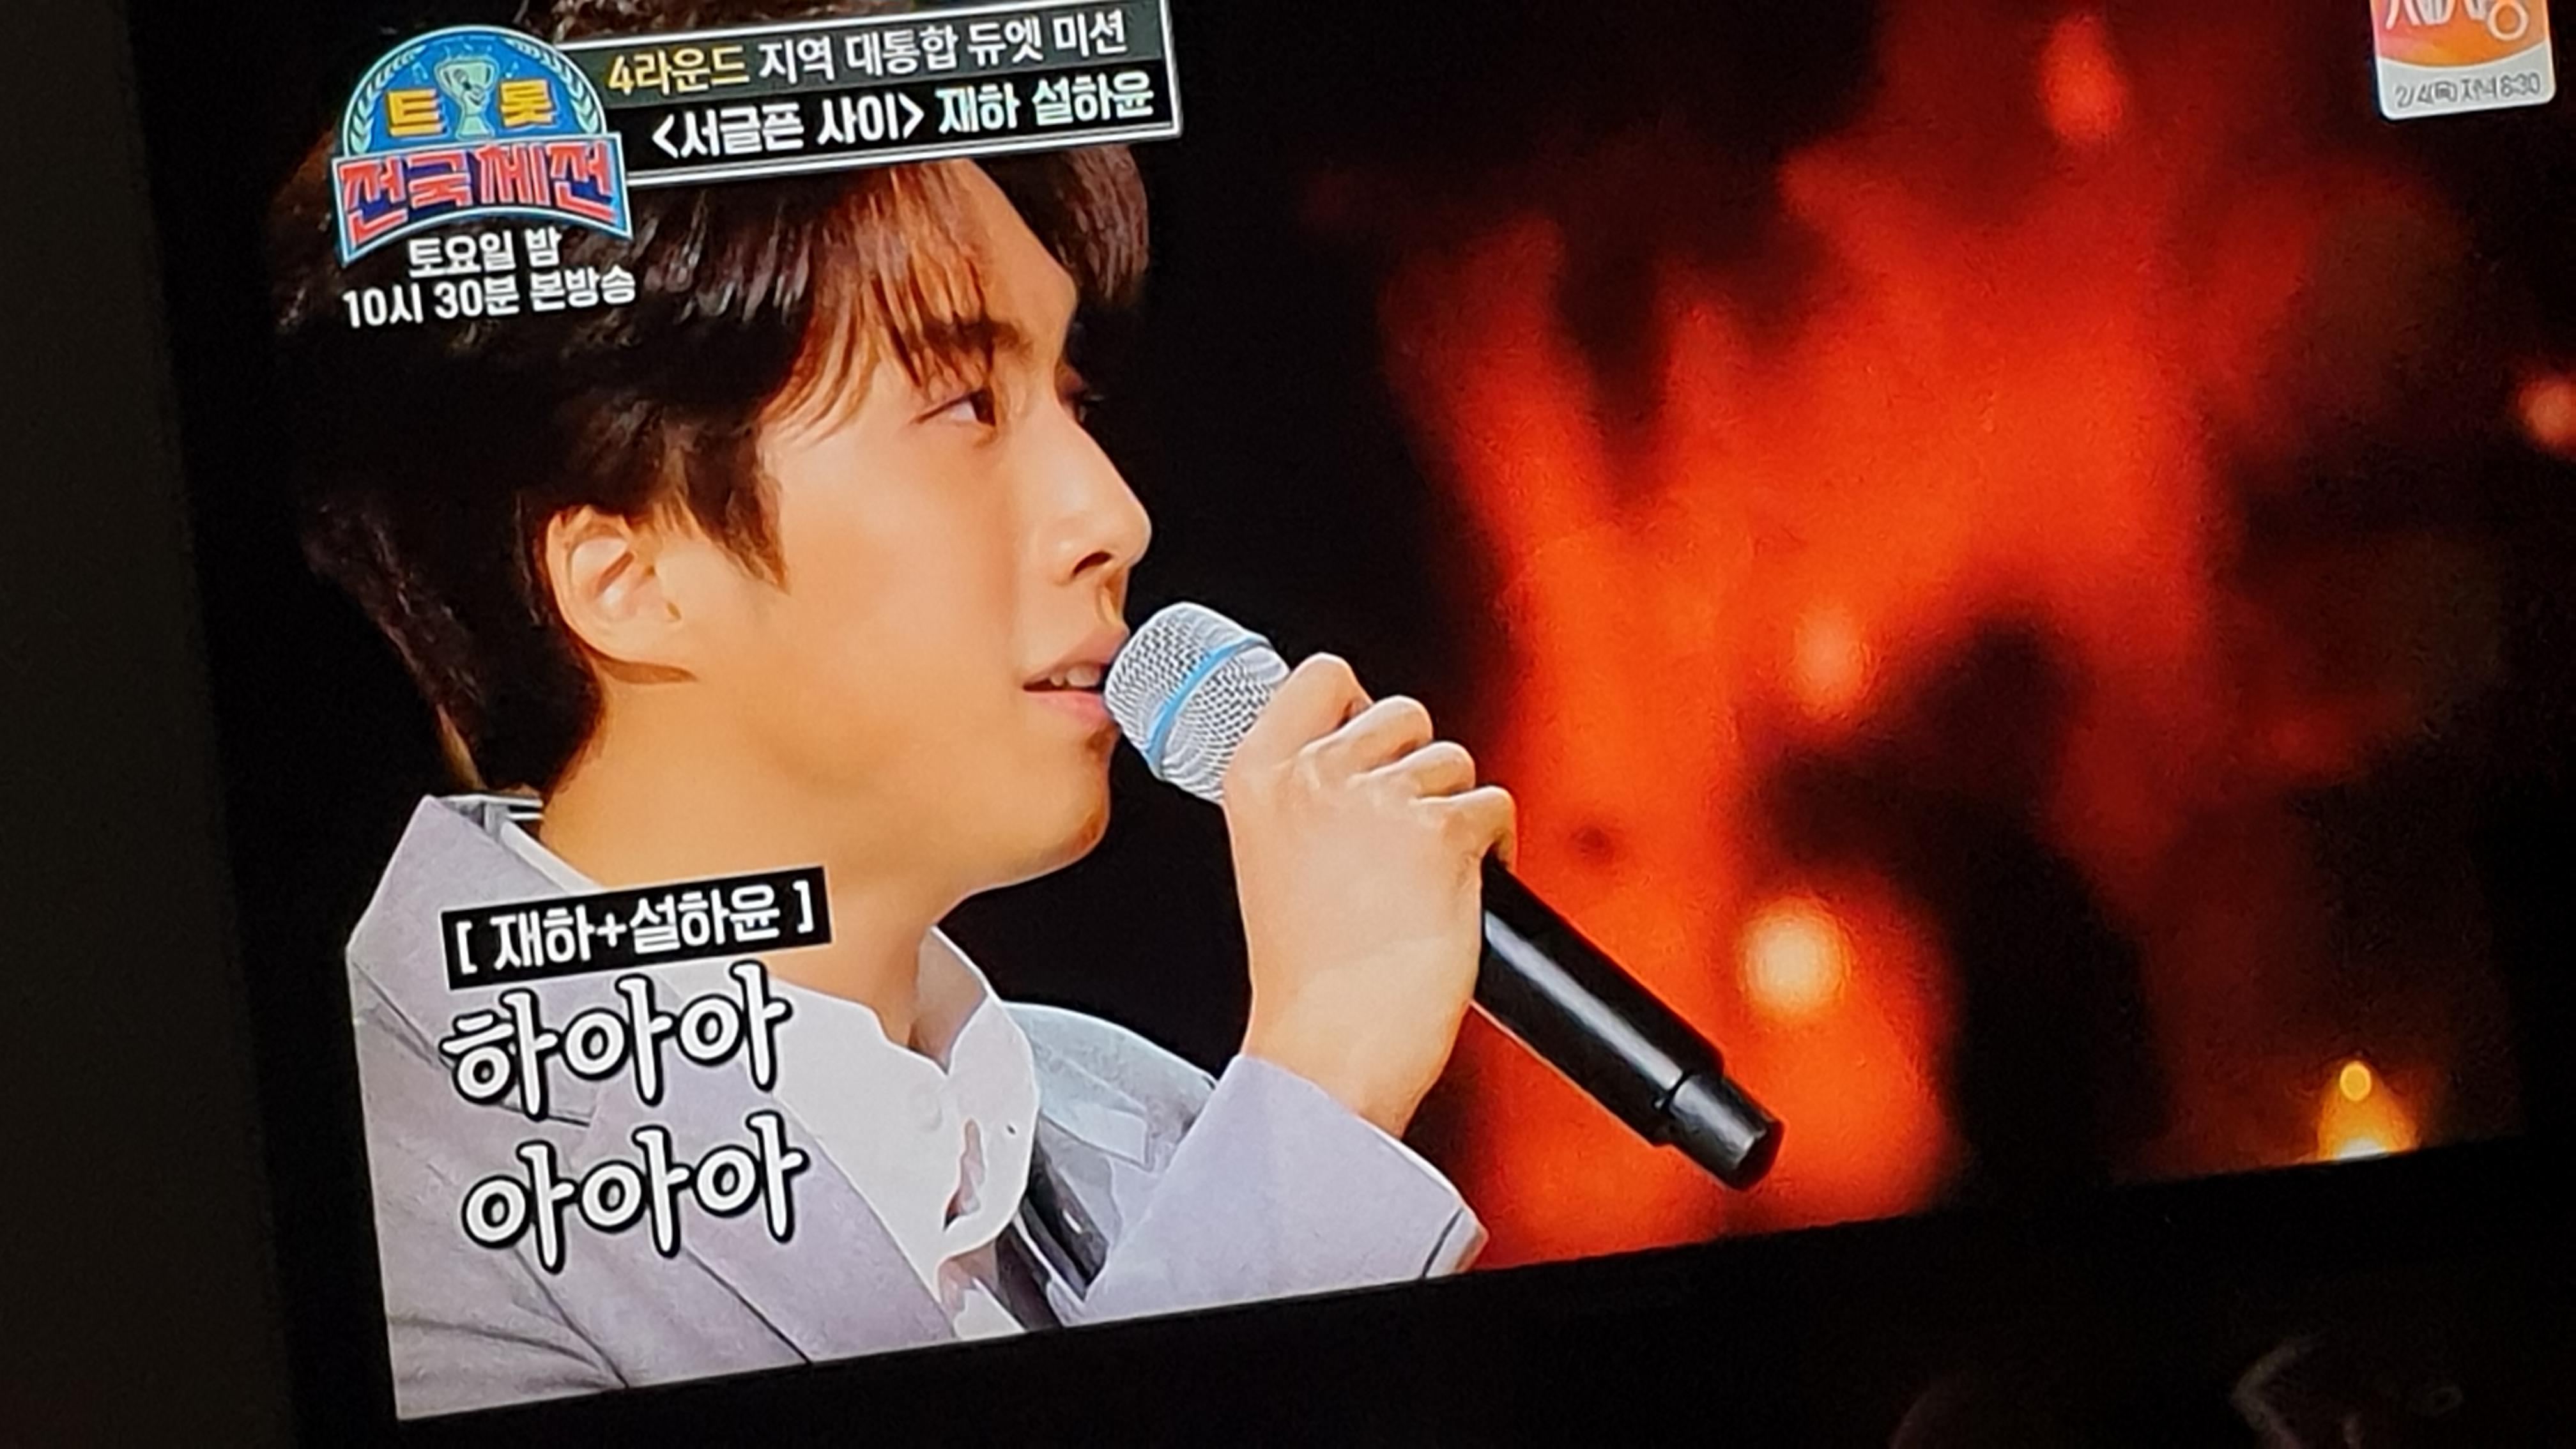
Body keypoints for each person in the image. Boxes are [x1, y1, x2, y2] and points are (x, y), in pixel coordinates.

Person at [270, 0, 1515, 1418]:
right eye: (964, 408)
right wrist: (1323, 1082)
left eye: (1070, 400)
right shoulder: (380, 1209)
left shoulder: (1134, 1119)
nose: (1112, 517)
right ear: (631, 579)